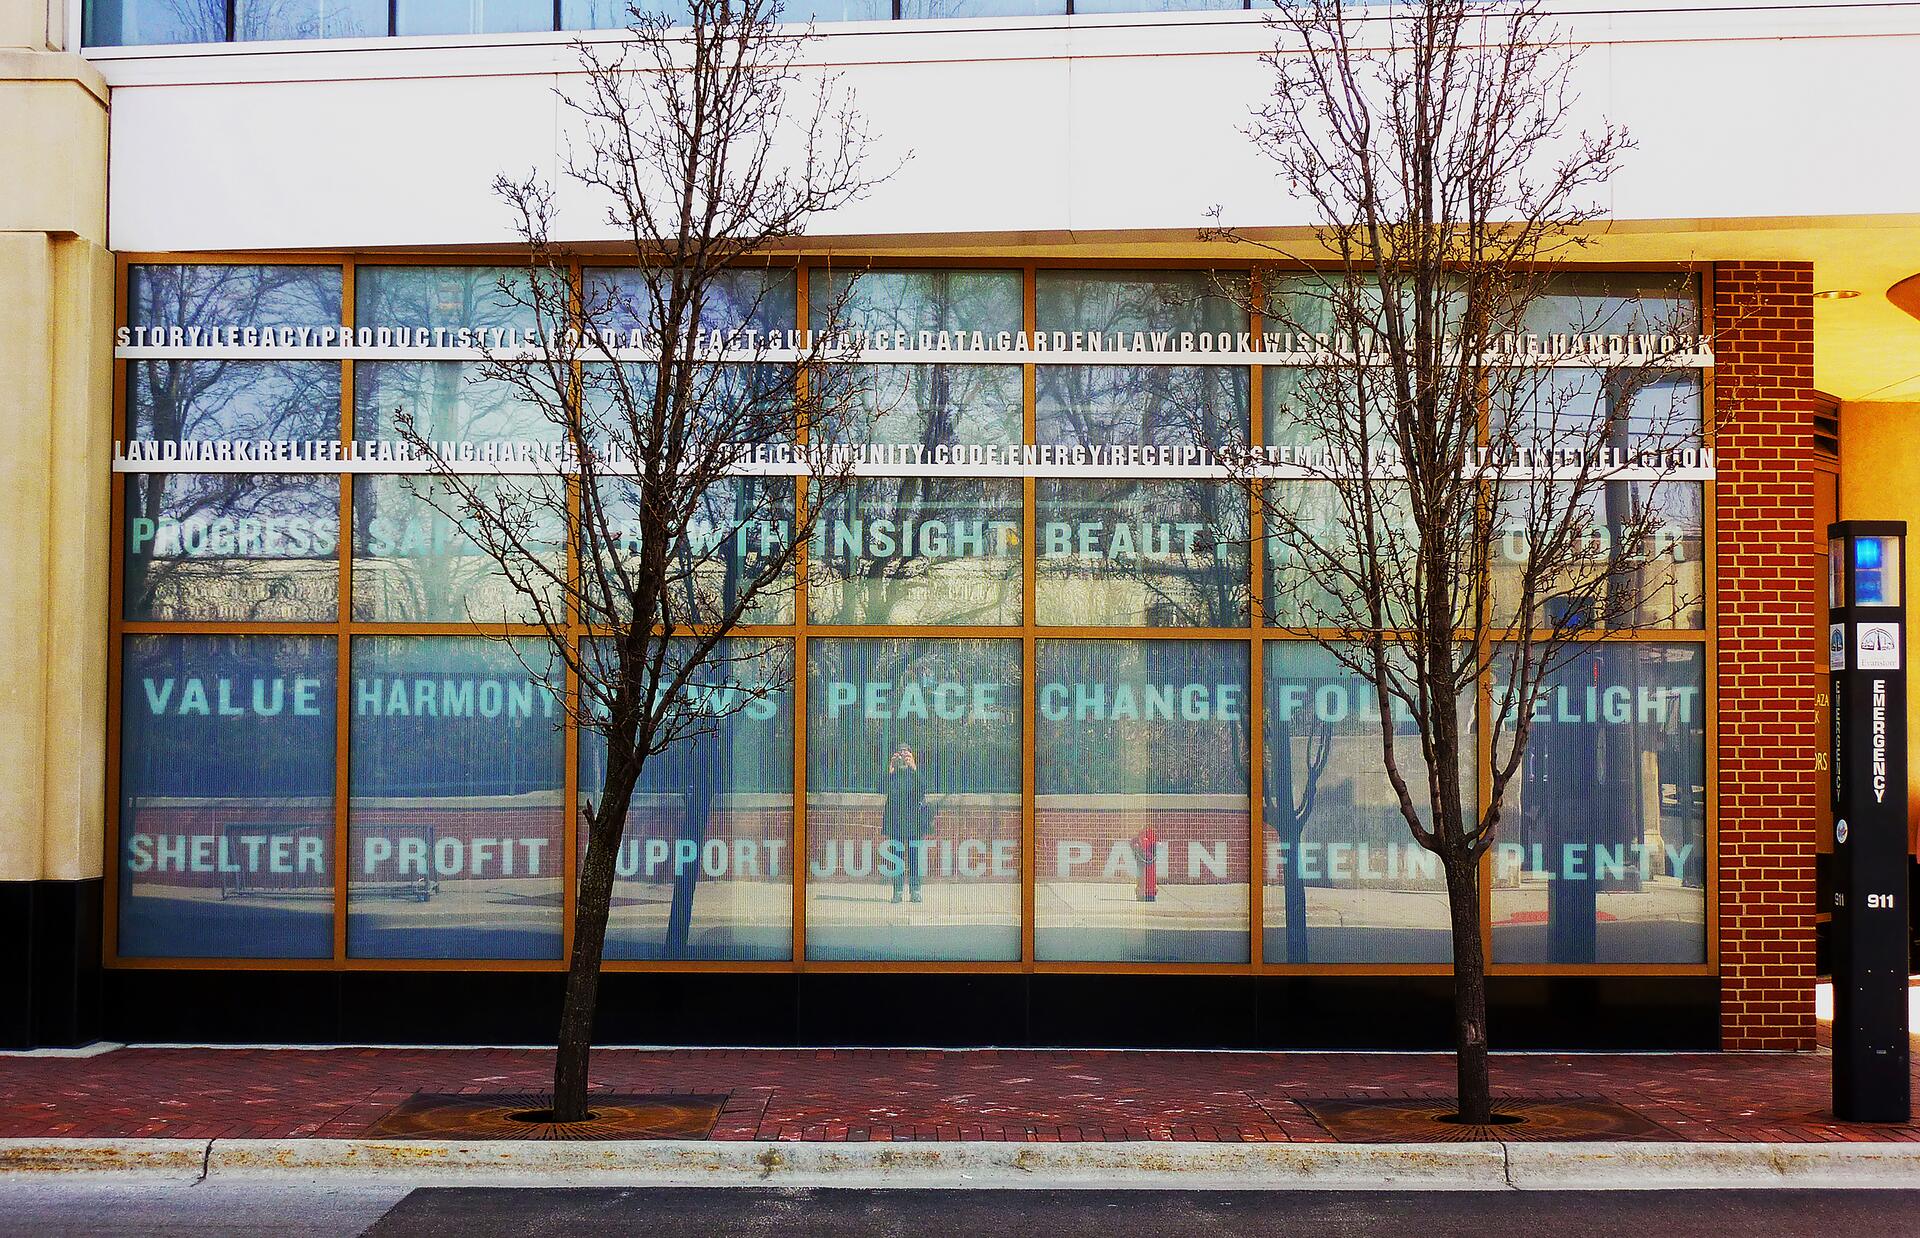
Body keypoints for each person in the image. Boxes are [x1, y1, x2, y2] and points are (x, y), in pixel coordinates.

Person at [881, 744, 929, 904]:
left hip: (914, 822)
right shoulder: (893, 774)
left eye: (906, 752)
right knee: (897, 859)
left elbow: (923, 788)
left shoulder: (914, 773)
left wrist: (914, 767)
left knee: (914, 858)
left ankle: (915, 891)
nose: (903, 756)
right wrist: (890, 770)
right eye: (900, 753)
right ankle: (898, 891)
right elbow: (880, 788)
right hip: (896, 822)